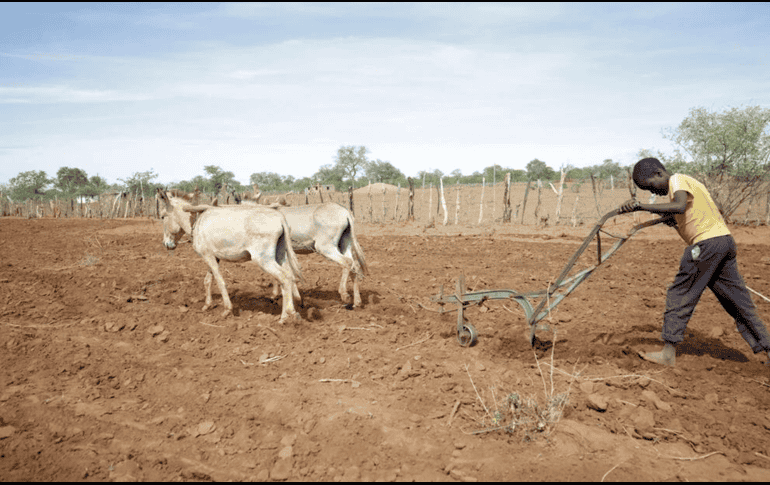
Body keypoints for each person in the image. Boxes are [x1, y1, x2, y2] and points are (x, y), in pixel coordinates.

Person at [619, 157, 770, 367]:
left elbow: (679, 206)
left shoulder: (677, 180)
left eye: (651, 186)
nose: (654, 193)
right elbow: (685, 214)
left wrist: (641, 206)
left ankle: (668, 352)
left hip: (706, 245)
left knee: (680, 293)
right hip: (723, 242)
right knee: (736, 300)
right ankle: (767, 347)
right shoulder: (690, 184)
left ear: (658, 174)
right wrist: (669, 219)